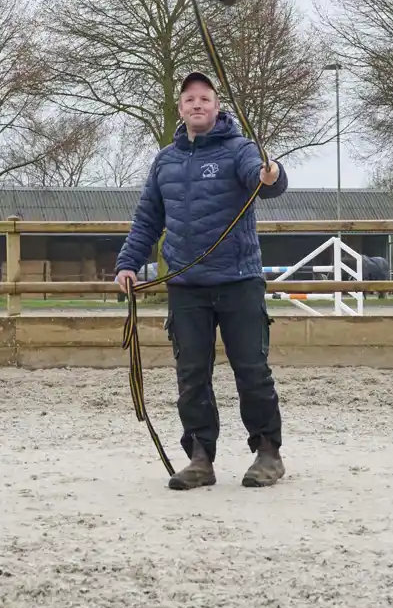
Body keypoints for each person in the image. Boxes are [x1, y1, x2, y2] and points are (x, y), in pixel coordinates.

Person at [115, 70, 289, 491]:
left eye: (205, 99)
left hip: (238, 280)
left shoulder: (240, 150)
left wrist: (271, 175)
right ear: (180, 109)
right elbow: (147, 219)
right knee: (191, 374)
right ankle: (199, 457)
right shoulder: (165, 161)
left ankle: (267, 451)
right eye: (190, 99)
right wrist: (128, 263)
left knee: (252, 369)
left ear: (216, 106)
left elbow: (265, 181)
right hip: (186, 284)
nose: (197, 105)